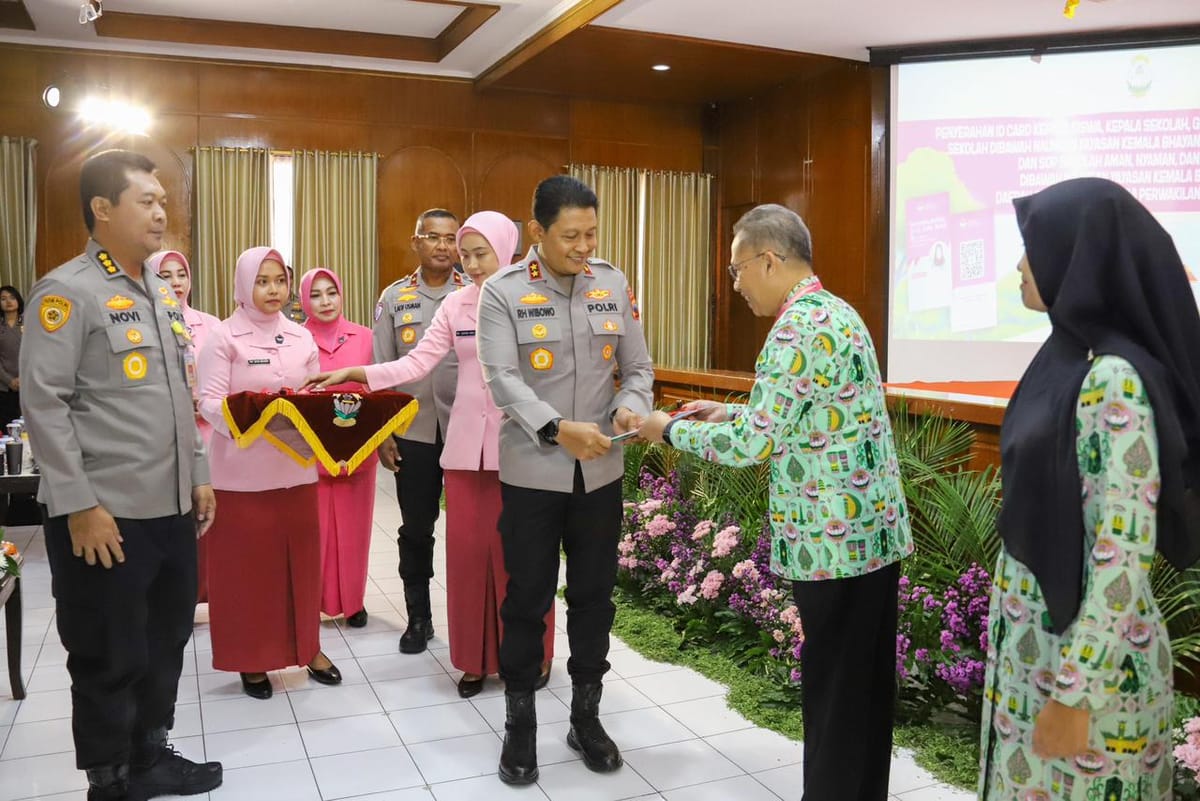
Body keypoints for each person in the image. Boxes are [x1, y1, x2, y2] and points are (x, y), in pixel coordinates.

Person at [642, 203, 911, 801]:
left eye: (738, 270)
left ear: (769, 259)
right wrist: (727, 409)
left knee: (834, 695)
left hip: (831, 544)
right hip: (874, 537)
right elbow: (807, 417)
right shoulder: (837, 313)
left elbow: (752, 443)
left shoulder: (793, 328)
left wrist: (668, 429)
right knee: (865, 691)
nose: (735, 285)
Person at [978, 178, 1200, 800]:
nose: (1019, 267)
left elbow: (1121, 550)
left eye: (1032, 247)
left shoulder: (1114, 382)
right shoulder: (1067, 357)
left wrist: (1076, 694)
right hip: (1036, 662)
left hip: (1094, 688)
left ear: (1078, 257)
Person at [20, 149, 222, 801]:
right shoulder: (66, 292)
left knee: (165, 637)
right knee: (108, 649)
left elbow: (178, 394)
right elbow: (42, 402)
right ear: (102, 209)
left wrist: (198, 470)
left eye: (164, 200)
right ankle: (108, 780)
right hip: (103, 514)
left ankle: (148, 756)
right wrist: (78, 503)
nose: (162, 211)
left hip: (168, 508)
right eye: (146, 200)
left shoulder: (160, 295)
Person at [308, 212, 554, 698]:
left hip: (520, 448)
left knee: (521, 556)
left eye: (481, 253)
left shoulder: (533, 301)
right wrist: (356, 373)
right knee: (465, 557)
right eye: (468, 254)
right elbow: (415, 360)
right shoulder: (456, 306)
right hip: (463, 451)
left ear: (507, 248)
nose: (473, 263)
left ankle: (530, 653)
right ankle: (473, 658)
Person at [476, 176, 654, 785]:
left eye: (592, 233)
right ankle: (519, 722)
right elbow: (502, 378)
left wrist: (630, 405)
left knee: (594, 599)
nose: (584, 246)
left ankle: (586, 717)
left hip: (601, 473)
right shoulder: (501, 293)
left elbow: (637, 367)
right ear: (538, 233)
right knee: (526, 600)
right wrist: (557, 429)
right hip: (534, 473)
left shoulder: (612, 282)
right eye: (571, 235)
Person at [197, 247, 342, 699]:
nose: (273, 289)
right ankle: (251, 659)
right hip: (241, 476)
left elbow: (313, 396)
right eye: (262, 281)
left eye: (280, 280)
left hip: (296, 470)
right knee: (247, 574)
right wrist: (254, 415)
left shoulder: (300, 337)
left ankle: (309, 647)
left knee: (300, 565)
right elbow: (206, 401)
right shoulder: (224, 337)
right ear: (244, 285)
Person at [371, 208, 464, 654]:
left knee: (469, 531)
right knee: (416, 528)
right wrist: (383, 435)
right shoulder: (394, 298)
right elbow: (383, 371)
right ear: (416, 242)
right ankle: (418, 617)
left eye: (451, 239)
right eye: (434, 237)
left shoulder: (478, 293)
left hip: (468, 433)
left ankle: (470, 622)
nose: (443, 247)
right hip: (414, 433)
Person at [299, 267, 376, 628]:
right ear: (303, 301)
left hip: (358, 450)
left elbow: (380, 392)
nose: (326, 301)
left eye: (332, 292)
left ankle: (354, 603)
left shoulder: (365, 337)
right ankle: (312, 600)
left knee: (354, 528)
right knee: (314, 530)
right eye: (316, 295)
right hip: (310, 450)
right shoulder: (295, 340)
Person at [148, 251, 221, 604]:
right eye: (165, 275)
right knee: (175, 522)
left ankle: (212, 592)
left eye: (181, 274)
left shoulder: (211, 324)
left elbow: (228, 382)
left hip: (209, 433)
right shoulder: (143, 327)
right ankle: (178, 598)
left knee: (211, 518)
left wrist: (206, 404)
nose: (176, 283)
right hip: (164, 436)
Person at [0, 285, 23, 428]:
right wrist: (9, 380)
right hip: (4, 386)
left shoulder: (31, 322)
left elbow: (38, 353)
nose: (8, 301)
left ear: (18, 300)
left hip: (29, 383)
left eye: (12, 297)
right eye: (3, 299)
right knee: (7, 428)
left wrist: (24, 377)